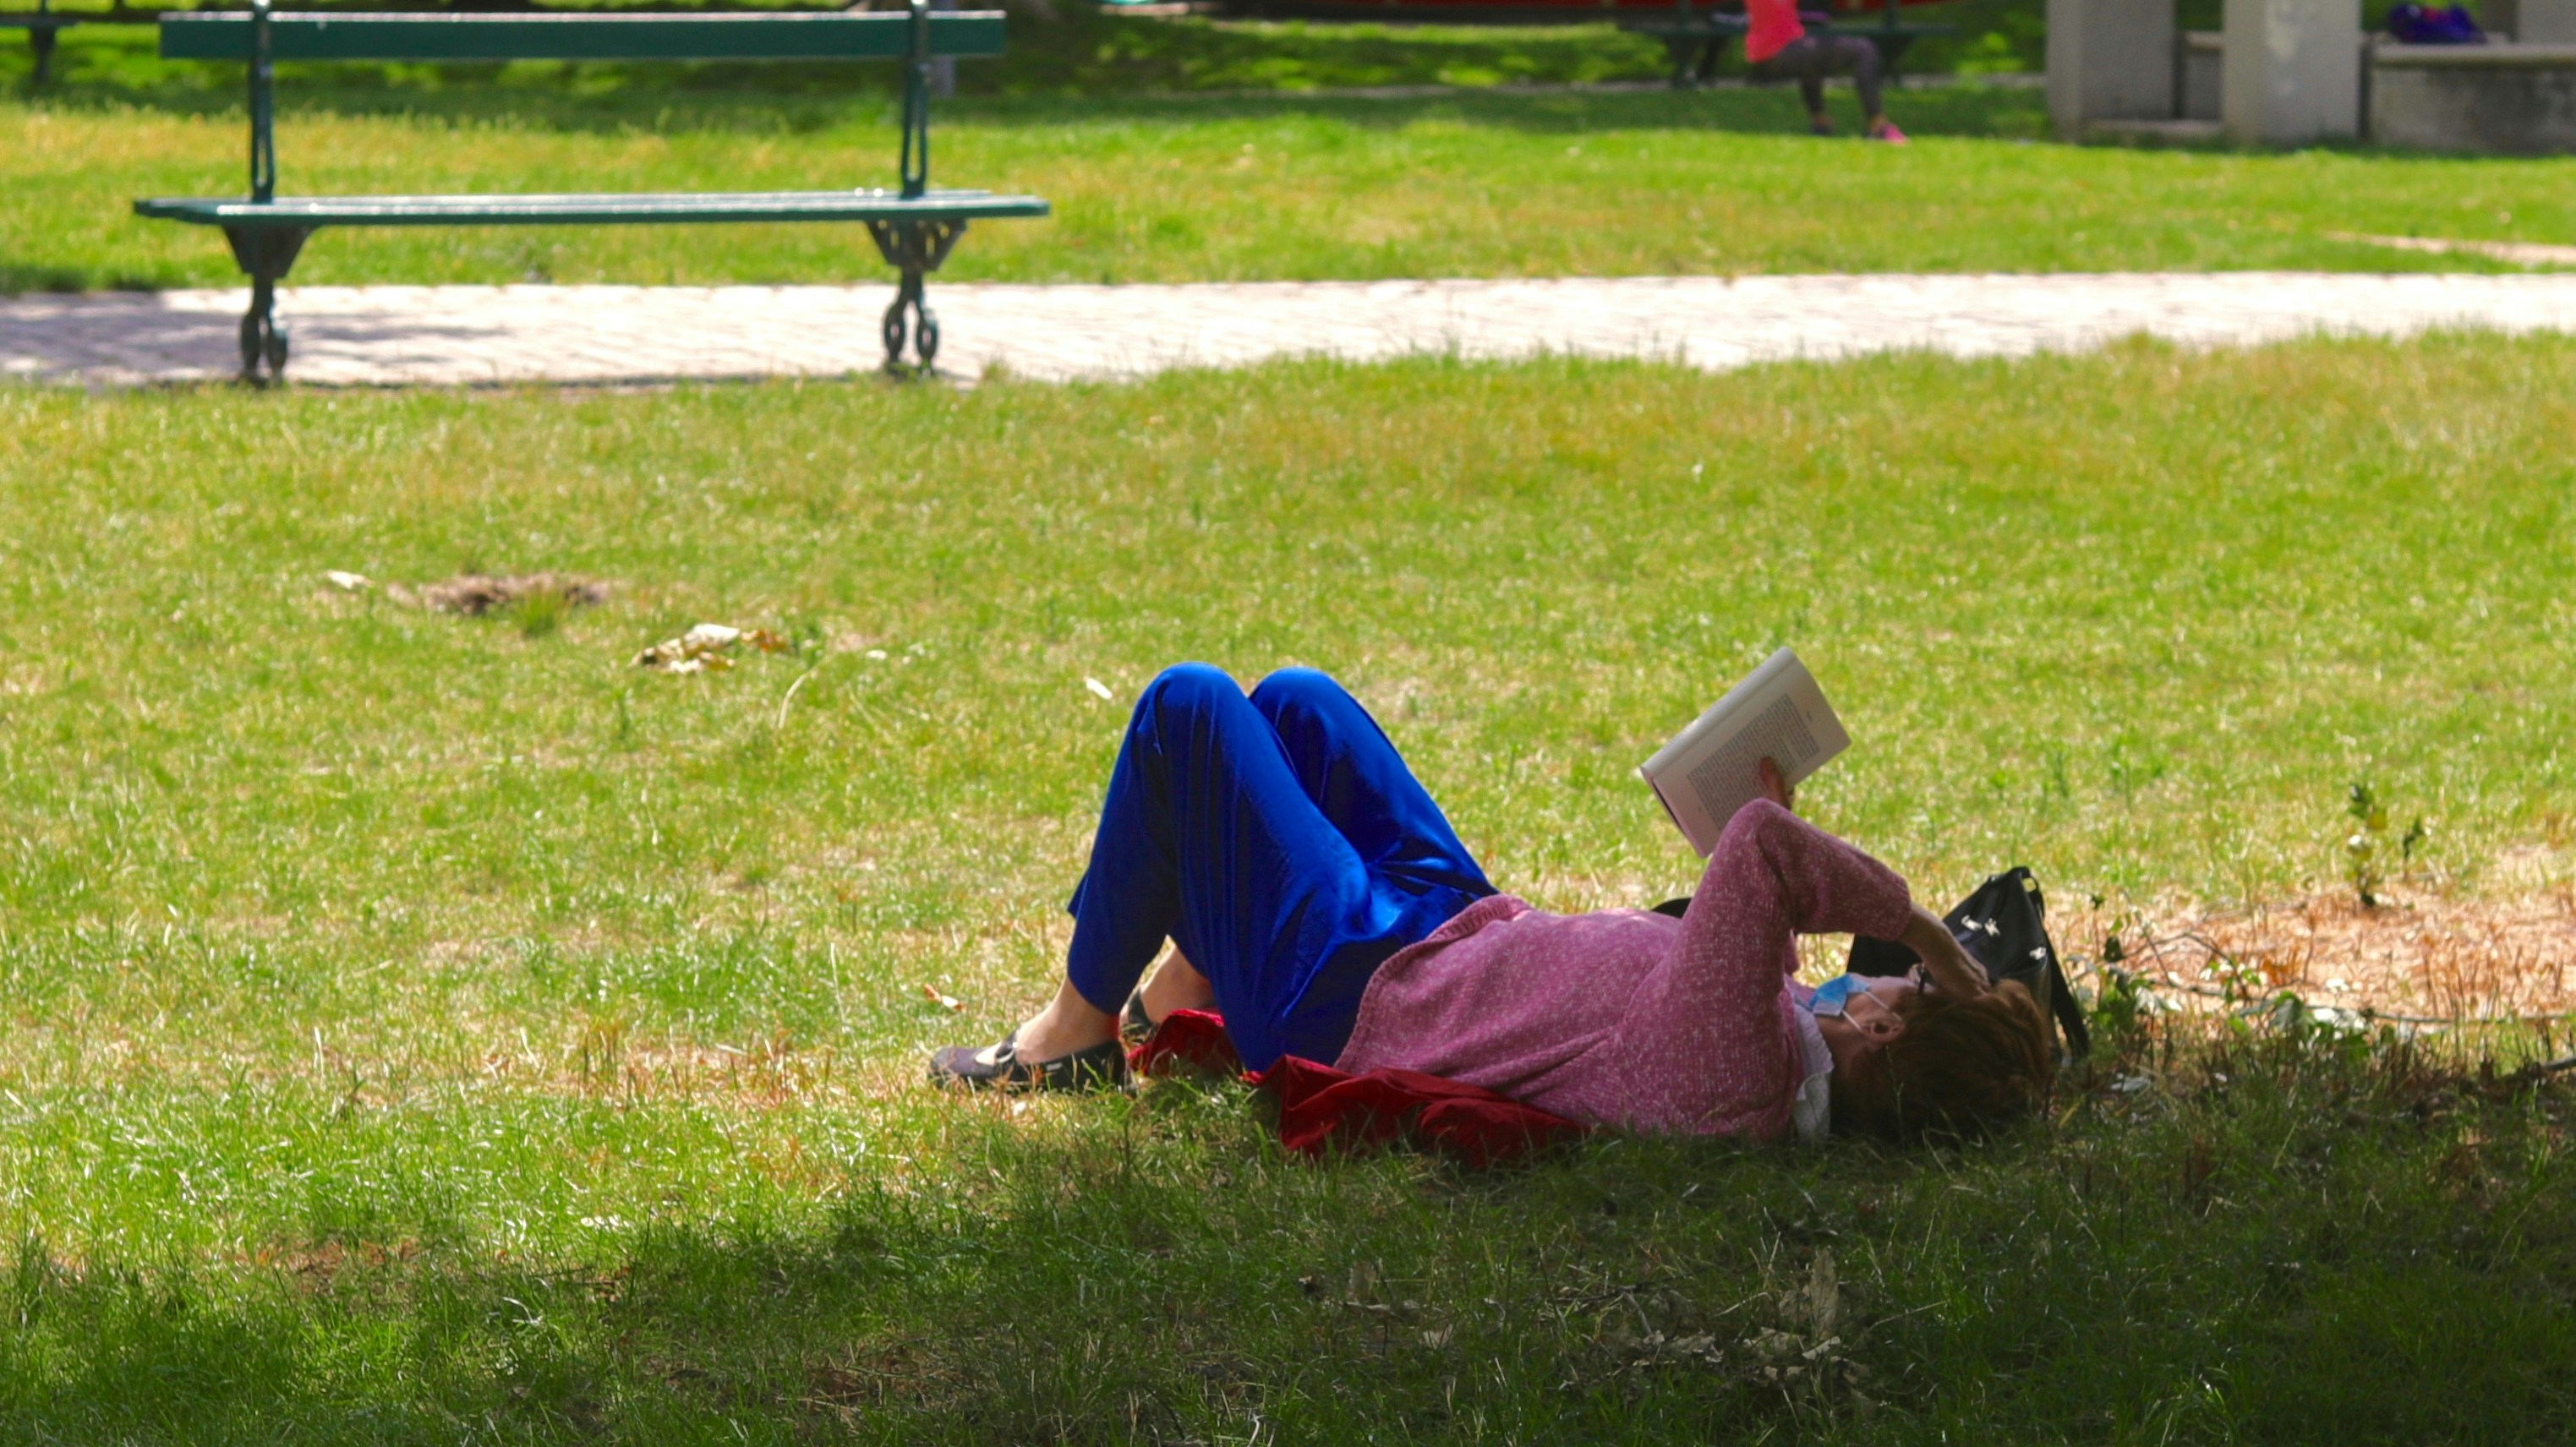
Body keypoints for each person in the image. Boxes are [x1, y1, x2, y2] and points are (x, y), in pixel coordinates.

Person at [930, 664, 2052, 1143]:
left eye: (1899, 984)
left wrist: (1925, 935)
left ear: (1885, 1023)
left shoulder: (1748, 1070)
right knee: (1299, 708)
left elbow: (1757, 852)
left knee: (1188, 709)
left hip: (1362, 989)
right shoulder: (1770, 1046)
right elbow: (1754, 865)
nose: (1886, 973)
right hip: (1448, 930)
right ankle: (1187, 978)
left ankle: (1068, 1040)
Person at [1745, 0, 1907, 144]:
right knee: (1864, 50)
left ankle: (1820, 124)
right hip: (1781, 49)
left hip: (1768, 52)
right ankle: (1878, 127)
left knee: (1812, 53)